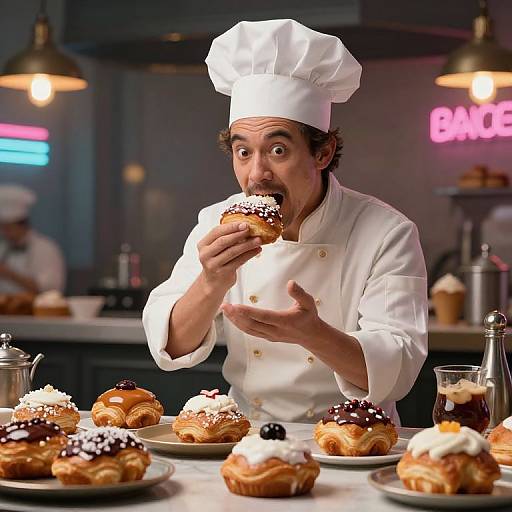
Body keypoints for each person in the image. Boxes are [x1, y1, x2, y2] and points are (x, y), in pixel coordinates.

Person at [143, 19, 428, 424]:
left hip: (355, 442)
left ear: (322, 153)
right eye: (243, 153)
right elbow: (170, 346)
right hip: (247, 439)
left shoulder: (387, 233)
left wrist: (312, 333)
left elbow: (398, 370)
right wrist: (211, 281)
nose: (256, 173)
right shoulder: (216, 221)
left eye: (277, 149)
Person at [0, 184, 65, 294]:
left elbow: (50, 290)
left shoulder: (46, 249)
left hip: (34, 310)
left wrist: (10, 275)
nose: (4, 232)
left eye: (7, 227)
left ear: (22, 224)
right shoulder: (2, 246)